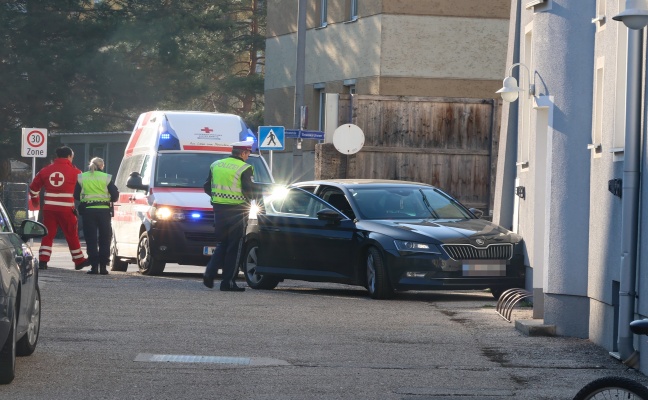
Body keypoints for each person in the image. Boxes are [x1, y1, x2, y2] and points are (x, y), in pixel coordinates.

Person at [202, 141, 264, 291]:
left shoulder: (216, 164)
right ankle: (228, 282)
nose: (248, 156)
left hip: (219, 209)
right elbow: (249, 190)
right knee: (235, 247)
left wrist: (218, 199)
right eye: (248, 153)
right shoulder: (245, 167)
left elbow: (207, 187)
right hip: (237, 210)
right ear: (243, 153)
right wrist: (259, 198)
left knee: (222, 243)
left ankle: (210, 273)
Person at [29, 146, 90, 270]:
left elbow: (33, 188)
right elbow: (85, 190)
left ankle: (43, 261)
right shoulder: (76, 172)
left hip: (49, 210)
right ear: (69, 156)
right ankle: (79, 260)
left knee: (48, 235)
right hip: (67, 209)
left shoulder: (45, 170)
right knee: (72, 235)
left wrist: (36, 202)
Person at [74, 157, 119, 275]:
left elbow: (76, 195)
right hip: (104, 212)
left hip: (88, 211)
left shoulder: (82, 177)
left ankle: (94, 267)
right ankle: (103, 267)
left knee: (91, 240)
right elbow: (115, 196)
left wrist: (86, 198)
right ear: (102, 166)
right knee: (105, 239)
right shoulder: (106, 177)